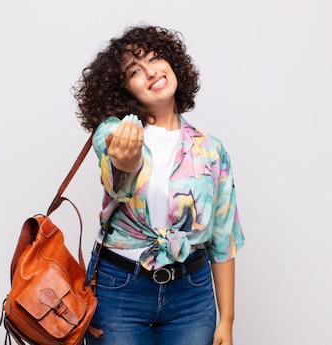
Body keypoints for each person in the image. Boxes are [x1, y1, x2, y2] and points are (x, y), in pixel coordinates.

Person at [73, 25, 245, 345]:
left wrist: (228, 320)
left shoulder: (211, 149)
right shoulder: (114, 132)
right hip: (119, 289)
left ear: (173, 64)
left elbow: (223, 238)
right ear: (124, 89)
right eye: (135, 70)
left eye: (155, 58)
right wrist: (126, 161)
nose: (151, 71)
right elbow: (119, 181)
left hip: (191, 295)